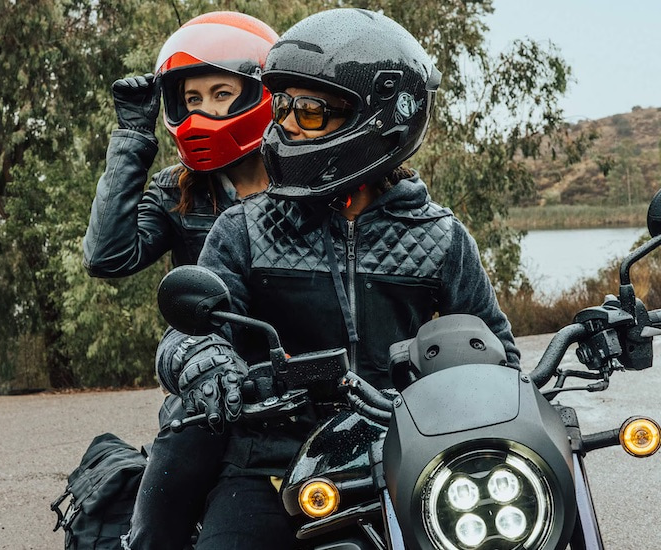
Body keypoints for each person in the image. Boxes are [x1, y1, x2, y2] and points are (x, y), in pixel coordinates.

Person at [153, 8, 520, 549]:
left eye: (311, 110)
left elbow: (499, 353)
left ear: (373, 120)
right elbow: (185, 332)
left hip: (405, 455)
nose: (287, 125)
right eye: (283, 107)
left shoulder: (440, 237)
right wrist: (204, 358)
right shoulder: (245, 228)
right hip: (270, 462)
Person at [80, 11, 278, 550]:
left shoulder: (304, 184)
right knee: (157, 529)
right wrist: (131, 138)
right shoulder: (179, 190)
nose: (205, 111)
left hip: (295, 383)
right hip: (204, 385)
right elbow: (106, 256)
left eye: (221, 93)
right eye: (192, 100)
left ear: (260, 93)